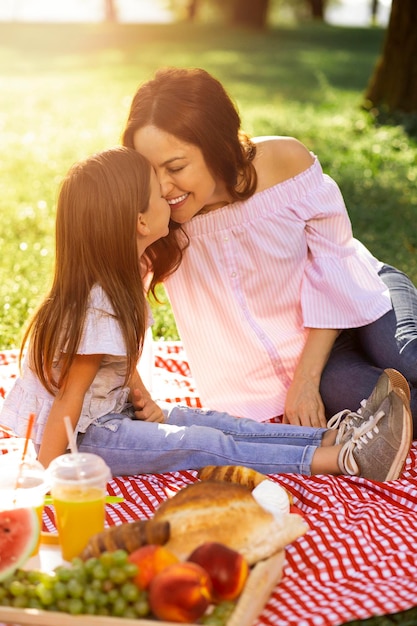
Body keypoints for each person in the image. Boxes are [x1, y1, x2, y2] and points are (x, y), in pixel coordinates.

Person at [0, 147, 412, 481]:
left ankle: (330, 437)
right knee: (199, 442)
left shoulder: (123, 274)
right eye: (158, 195)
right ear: (141, 221)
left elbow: (113, 359)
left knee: (212, 421)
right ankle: (345, 461)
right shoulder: (98, 304)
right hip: (85, 437)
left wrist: (143, 399)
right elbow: (71, 399)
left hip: (111, 410)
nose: (168, 195)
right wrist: (46, 475)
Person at [122, 66, 417, 436]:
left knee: (405, 356)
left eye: (176, 166)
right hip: (320, 353)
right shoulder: (154, 222)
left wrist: (305, 380)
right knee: (380, 405)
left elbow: (336, 260)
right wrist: (139, 397)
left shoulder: (285, 163)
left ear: (217, 145)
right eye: (149, 171)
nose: (164, 187)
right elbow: (115, 308)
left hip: (365, 289)